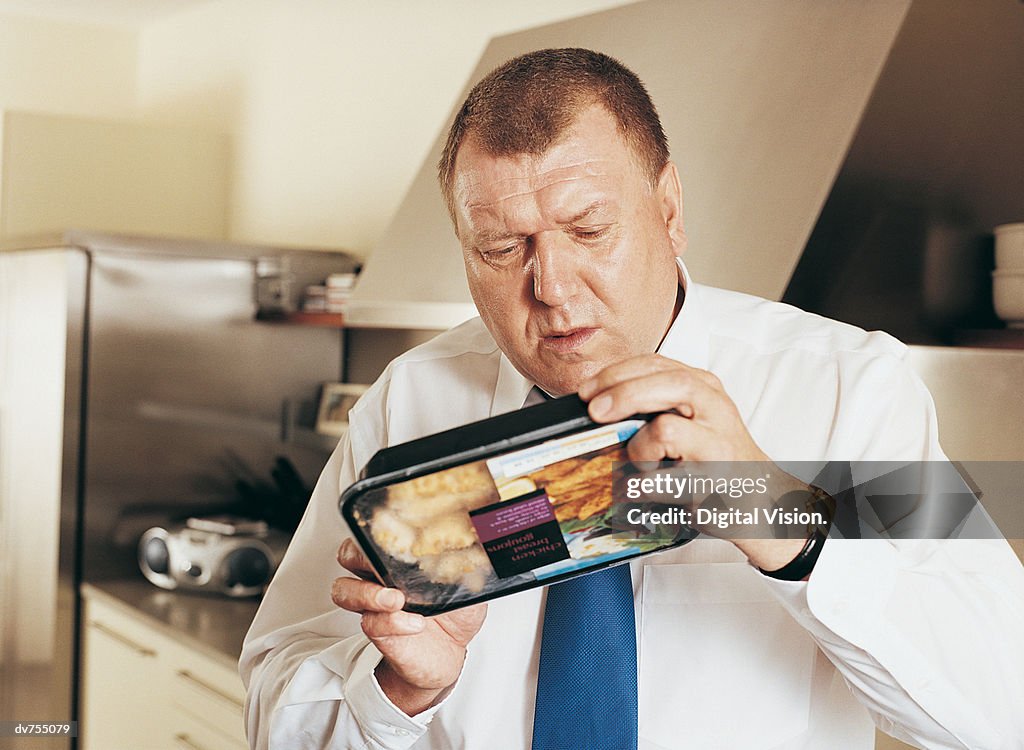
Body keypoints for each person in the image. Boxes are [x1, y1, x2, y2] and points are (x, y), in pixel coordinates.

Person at [240, 48, 1024, 749]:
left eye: (588, 230)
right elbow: (277, 711)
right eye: (502, 248)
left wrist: (781, 515)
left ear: (670, 211)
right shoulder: (407, 402)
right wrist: (398, 690)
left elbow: (1001, 706)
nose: (550, 288)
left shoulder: (843, 391)